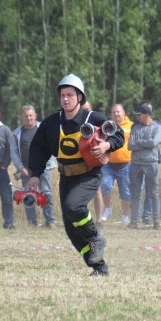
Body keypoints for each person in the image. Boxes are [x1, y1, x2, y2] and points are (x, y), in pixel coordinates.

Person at [26, 74, 124, 276]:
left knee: (74, 207)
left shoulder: (93, 118)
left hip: (89, 174)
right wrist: (35, 174)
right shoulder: (51, 123)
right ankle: (100, 267)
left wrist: (106, 144)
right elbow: (38, 148)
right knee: (71, 230)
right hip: (66, 177)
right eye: (63, 95)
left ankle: (95, 235)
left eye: (70, 95)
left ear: (80, 97)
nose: (65, 99)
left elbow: (118, 135)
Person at [11, 105, 56, 228]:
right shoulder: (16, 134)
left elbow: (52, 145)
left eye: (31, 115)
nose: (28, 118)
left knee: (46, 193)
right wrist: (20, 168)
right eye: (26, 116)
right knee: (27, 196)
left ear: (35, 115)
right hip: (26, 169)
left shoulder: (44, 128)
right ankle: (32, 223)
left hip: (42, 167)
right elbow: (13, 152)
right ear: (22, 117)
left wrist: (48, 164)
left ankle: (50, 221)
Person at [128, 105, 161, 229]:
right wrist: (146, 142)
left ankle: (156, 222)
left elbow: (154, 142)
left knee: (153, 192)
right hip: (136, 163)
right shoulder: (135, 127)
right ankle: (133, 222)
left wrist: (140, 142)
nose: (137, 117)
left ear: (146, 115)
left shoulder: (157, 128)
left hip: (151, 163)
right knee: (135, 193)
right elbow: (130, 145)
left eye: (139, 115)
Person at [100, 103, 132, 225]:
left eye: (118, 111)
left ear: (124, 113)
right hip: (109, 165)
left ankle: (125, 215)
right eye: (114, 112)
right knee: (105, 185)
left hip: (126, 165)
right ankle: (108, 209)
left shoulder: (131, 126)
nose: (116, 114)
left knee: (125, 191)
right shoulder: (108, 126)